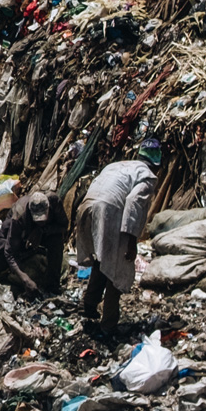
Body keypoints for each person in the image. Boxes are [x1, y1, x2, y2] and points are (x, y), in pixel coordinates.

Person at [75, 142, 160, 333]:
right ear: (156, 164)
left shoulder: (118, 166)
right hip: (108, 211)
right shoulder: (147, 176)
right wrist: (131, 240)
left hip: (87, 205)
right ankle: (109, 324)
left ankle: (88, 305)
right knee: (118, 265)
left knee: (102, 258)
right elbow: (133, 202)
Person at [0, 188, 69, 299]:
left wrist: (42, 230)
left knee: (56, 240)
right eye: (38, 220)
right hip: (18, 230)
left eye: (43, 219)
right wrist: (25, 279)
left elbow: (63, 226)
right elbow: (9, 252)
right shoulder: (19, 216)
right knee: (1, 252)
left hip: (45, 231)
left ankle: (52, 285)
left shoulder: (54, 201)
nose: (41, 222)